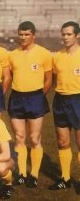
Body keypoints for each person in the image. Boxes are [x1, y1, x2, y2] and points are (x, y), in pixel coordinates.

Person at [8, 21, 52, 188]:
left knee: (34, 138)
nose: (23, 37)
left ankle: (33, 174)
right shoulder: (13, 55)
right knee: (19, 137)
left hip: (36, 98)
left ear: (34, 35)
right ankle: (22, 173)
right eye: (21, 34)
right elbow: (11, 75)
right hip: (17, 97)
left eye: (27, 34)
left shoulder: (44, 54)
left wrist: (39, 96)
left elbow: (49, 79)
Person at [48, 21, 80, 191]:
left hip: (78, 100)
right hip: (60, 100)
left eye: (69, 34)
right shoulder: (57, 56)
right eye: (63, 34)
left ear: (77, 35)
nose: (65, 37)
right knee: (62, 141)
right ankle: (65, 178)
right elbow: (53, 79)